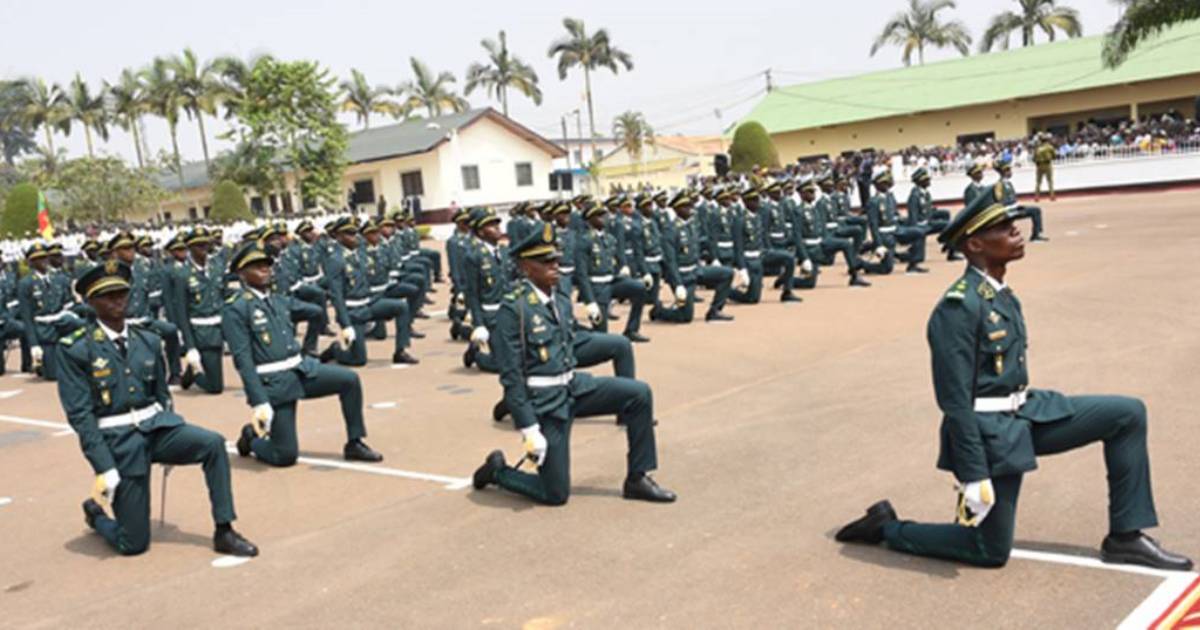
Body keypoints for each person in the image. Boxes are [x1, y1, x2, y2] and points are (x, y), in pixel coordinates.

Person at [834, 195, 1193, 571]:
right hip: (990, 436)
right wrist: (973, 475)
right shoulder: (958, 307)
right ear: (975, 245)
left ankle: (1126, 536)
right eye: (1004, 230)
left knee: (1127, 414)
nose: (1016, 233)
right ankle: (887, 528)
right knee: (989, 550)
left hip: (1026, 413)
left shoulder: (998, 294)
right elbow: (955, 403)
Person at [471, 224, 676, 505]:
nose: (555, 265)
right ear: (525, 267)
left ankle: (638, 478)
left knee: (638, 393)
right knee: (555, 494)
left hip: (573, 387)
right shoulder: (514, 309)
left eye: (555, 259)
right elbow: (511, 377)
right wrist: (529, 429)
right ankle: (498, 472)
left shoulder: (561, 298)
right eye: (545, 261)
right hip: (546, 403)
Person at [63, 261, 257, 557]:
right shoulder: (77, 349)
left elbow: (162, 396)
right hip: (120, 441)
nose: (117, 300)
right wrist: (103, 467)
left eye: (121, 292)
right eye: (107, 295)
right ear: (90, 302)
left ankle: (224, 530)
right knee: (133, 544)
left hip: (156, 428)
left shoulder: (148, 340)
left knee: (213, 444)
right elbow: (80, 416)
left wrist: (172, 425)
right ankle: (97, 516)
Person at [222, 240, 383, 466]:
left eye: (267, 265)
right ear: (241, 273)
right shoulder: (236, 308)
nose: (265, 269)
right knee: (285, 456)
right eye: (257, 266)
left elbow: (314, 311)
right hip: (275, 382)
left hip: (301, 369)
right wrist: (259, 402)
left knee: (349, 380)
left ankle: (354, 442)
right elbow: (243, 360)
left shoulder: (278, 299)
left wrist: (327, 303)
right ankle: (252, 438)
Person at [321, 216, 418, 366]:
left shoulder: (360, 254)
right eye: (348, 234)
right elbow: (336, 295)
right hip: (353, 312)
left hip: (369, 303)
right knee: (358, 360)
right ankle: (335, 350)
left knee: (401, 307)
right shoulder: (335, 259)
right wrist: (345, 324)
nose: (354, 237)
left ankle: (401, 351)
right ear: (339, 236)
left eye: (354, 233)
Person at [652, 191, 734, 323]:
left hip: (696, 270)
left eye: (689, 206)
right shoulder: (670, 230)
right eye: (685, 207)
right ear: (677, 209)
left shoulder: (691, 226)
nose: (689, 209)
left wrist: (713, 259)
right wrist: (677, 284)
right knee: (685, 317)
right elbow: (670, 261)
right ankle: (659, 311)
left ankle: (715, 311)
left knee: (727, 273)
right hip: (683, 276)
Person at [575, 202, 649, 343]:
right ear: (589, 220)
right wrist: (589, 301)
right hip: (597, 288)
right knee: (601, 335)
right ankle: (573, 329)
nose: (604, 218)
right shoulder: (584, 241)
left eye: (604, 215)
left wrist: (623, 267)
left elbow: (616, 258)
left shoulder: (609, 238)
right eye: (598, 216)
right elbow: (581, 274)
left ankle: (632, 330)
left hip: (612, 282)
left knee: (639, 288)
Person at [167, 228, 225, 393]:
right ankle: (194, 371)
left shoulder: (216, 267)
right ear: (190, 248)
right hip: (201, 332)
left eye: (205, 245)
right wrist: (190, 345)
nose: (203, 249)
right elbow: (182, 312)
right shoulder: (182, 274)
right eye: (198, 246)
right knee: (215, 388)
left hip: (220, 327)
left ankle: (191, 371)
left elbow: (223, 295)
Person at [18, 243, 86, 381]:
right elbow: (27, 317)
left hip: (63, 322)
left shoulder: (58, 279)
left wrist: (92, 310)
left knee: (86, 326)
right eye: (38, 258)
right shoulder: (26, 283)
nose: (43, 261)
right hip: (44, 329)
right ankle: (41, 364)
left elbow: (69, 304)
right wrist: (34, 344)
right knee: (53, 375)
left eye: (44, 257)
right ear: (31, 262)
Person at [865, 170, 928, 275]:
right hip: (885, 235)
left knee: (919, 233)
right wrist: (879, 244)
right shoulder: (873, 202)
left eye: (887, 182)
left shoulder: (890, 197)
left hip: (897, 231)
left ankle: (913, 264)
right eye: (883, 183)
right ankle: (864, 265)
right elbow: (873, 225)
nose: (886, 185)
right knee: (887, 269)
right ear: (876, 185)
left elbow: (895, 215)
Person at [992, 157, 1049, 242]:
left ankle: (1036, 234)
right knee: (1035, 211)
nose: (1010, 172)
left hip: (1014, 208)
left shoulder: (1008, 183)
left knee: (1036, 210)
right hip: (1009, 211)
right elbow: (1000, 201)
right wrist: (1012, 207)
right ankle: (1036, 235)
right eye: (1008, 170)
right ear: (1003, 172)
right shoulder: (999, 185)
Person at [1033, 134, 1056, 202]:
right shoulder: (1050, 147)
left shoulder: (1037, 148)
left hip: (1039, 165)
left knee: (1038, 182)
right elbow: (1054, 156)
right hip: (1047, 164)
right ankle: (1052, 196)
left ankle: (1037, 197)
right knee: (1050, 181)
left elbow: (1034, 158)